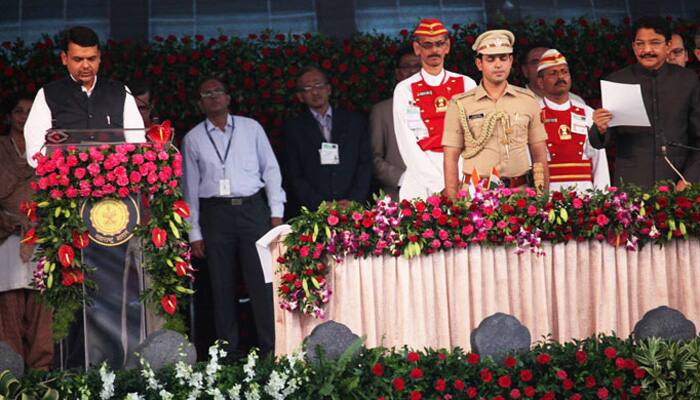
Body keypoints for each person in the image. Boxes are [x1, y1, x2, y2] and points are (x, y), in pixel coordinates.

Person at [182, 76, 284, 358]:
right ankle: (228, 352)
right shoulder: (193, 138)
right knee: (221, 284)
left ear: (228, 97)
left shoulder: (251, 128)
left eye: (218, 91)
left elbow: (271, 170)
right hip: (215, 214)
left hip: (252, 209)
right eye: (206, 93)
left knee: (261, 282)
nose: (213, 97)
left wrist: (276, 214)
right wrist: (195, 233)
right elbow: (189, 189)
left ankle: (271, 349)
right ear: (199, 103)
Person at [589, 16, 700, 187]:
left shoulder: (688, 81)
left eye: (655, 43)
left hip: (678, 182)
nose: (646, 50)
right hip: (632, 184)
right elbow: (598, 142)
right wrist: (600, 128)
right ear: (633, 47)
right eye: (640, 44)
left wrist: (689, 179)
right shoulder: (618, 81)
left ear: (668, 45)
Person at [442, 29, 550, 199]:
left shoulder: (528, 100)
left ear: (511, 60)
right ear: (479, 64)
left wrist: (543, 198)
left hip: (519, 194)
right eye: (490, 59)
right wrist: (454, 202)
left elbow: (539, 154)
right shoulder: (460, 104)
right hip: (476, 195)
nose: (498, 64)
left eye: (503, 58)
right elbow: (450, 157)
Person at [24, 26, 144, 167]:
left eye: (91, 59)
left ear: (99, 57)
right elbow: (35, 153)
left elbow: (137, 145)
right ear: (64, 58)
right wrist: (69, 166)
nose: (86, 65)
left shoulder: (120, 92)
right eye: (78, 59)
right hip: (64, 183)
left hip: (114, 184)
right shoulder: (48, 94)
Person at [393, 18, 477, 200]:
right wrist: (440, 185)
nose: (434, 50)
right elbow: (406, 143)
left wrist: (460, 179)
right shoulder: (405, 89)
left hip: (463, 169)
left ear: (447, 46)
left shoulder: (466, 84)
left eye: (439, 44)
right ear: (417, 48)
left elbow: (476, 135)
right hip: (421, 172)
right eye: (427, 45)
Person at [0, 96, 53, 370]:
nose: (23, 116)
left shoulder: (45, 150)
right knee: (9, 306)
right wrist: (8, 221)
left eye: (30, 112)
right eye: (18, 111)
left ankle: (40, 375)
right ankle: (10, 373)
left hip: (40, 234)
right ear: (9, 116)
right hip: (6, 238)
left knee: (41, 305)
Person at [283, 66, 372, 212]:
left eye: (319, 85)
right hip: (314, 209)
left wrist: (354, 200)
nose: (315, 92)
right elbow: (294, 174)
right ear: (300, 96)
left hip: (353, 206)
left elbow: (365, 164)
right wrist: (320, 204)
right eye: (307, 88)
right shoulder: (294, 129)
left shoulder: (353, 122)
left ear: (329, 89)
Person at [536, 49, 610, 192]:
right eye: (553, 73)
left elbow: (599, 161)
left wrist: (602, 198)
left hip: (586, 195)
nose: (560, 77)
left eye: (564, 72)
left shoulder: (588, 113)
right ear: (540, 82)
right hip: (548, 195)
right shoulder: (534, 114)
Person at [369, 46, 420, 200]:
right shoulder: (381, 111)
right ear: (398, 73)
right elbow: (373, 157)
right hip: (398, 195)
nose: (412, 71)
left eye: (417, 66)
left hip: (438, 190)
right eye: (406, 67)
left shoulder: (440, 105)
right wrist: (403, 178)